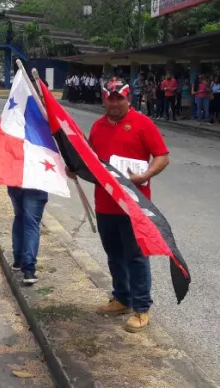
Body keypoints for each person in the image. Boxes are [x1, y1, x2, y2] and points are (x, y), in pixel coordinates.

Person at [79, 78, 170, 333]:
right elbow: (91, 161)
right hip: (105, 205)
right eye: (110, 98)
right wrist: (75, 168)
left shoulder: (143, 124)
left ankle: (141, 308)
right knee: (115, 255)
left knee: (137, 256)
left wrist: (145, 175)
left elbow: (162, 157)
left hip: (134, 207)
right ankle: (122, 298)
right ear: (103, 100)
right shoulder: (97, 127)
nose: (114, 103)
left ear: (129, 99)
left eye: (119, 98)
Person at [8, 186, 48, 286]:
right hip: (37, 185)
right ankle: (28, 270)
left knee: (19, 217)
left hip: (16, 183)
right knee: (32, 225)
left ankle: (18, 259)